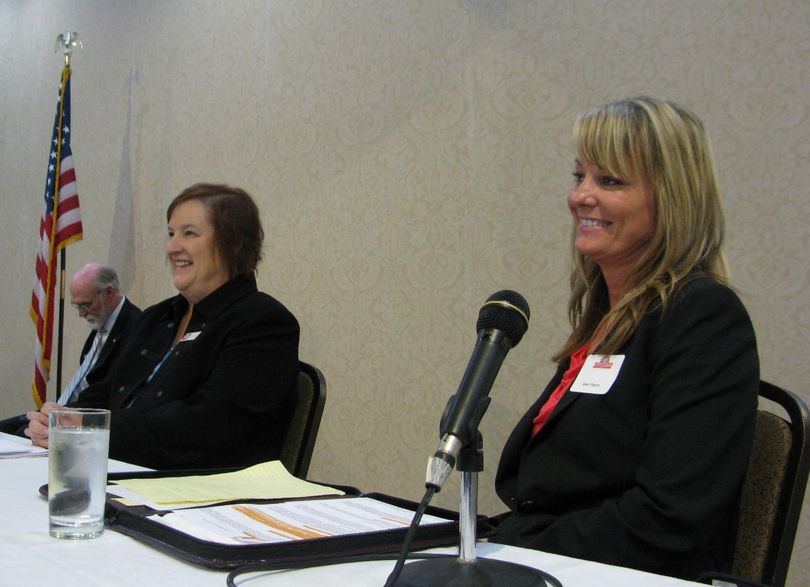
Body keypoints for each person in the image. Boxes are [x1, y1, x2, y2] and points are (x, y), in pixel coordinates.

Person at [492, 97, 759, 580]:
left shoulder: (703, 317)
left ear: (671, 197)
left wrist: (510, 550)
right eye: (580, 177)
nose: (580, 197)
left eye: (609, 181)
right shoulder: (611, 319)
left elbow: (669, 518)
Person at [25, 183, 300, 470]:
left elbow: (208, 427)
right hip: (112, 470)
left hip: (195, 493)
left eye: (189, 233)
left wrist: (92, 429)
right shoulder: (156, 318)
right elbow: (107, 391)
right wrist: (61, 419)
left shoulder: (264, 323)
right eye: (171, 234)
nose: (172, 247)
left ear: (234, 243)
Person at [0, 263, 141, 435]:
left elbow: (105, 392)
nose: (81, 313)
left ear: (109, 293)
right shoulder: (102, 322)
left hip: (84, 418)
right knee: (4, 428)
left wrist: (65, 414)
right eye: (77, 306)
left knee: (21, 433)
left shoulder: (135, 327)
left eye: (85, 305)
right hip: (65, 408)